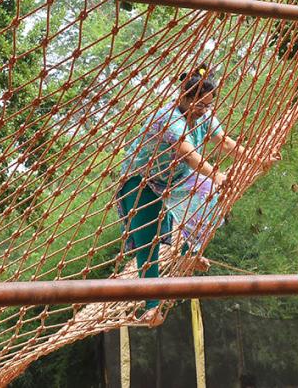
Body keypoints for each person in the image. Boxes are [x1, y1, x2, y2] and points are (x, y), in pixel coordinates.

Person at [117, 66, 275, 326]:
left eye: (208, 105)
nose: (204, 110)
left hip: (176, 177)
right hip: (142, 180)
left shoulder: (204, 116)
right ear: (185, 98)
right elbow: (190, 155)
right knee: (149, 240)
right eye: (200, 105)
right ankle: (151, 307)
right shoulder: (168, 119)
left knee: (211, 197)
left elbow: (223, 141)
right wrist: (217, 175)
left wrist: (257, 159)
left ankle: (190, 251)